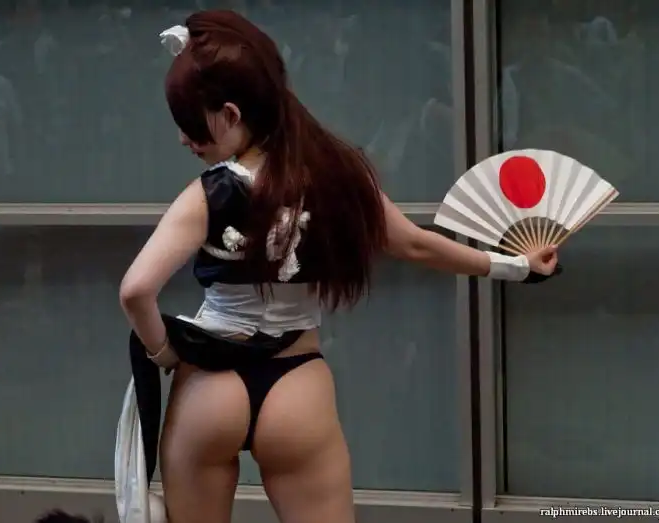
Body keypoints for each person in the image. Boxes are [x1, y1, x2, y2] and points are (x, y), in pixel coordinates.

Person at [118, 9, 559, 523]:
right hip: (296, 385)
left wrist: (164, 352)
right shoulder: (339, 177)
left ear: (232, 115)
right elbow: (416, 245)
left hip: (209, 389)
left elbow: (136, 290)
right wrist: (516, 265)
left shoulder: (208, 194)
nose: (185, 140)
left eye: (193, 128)